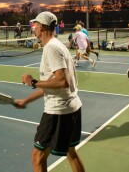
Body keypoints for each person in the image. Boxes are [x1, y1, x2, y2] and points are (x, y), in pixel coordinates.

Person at [14, 11, 85, 172]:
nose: (33, 27)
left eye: (36, 24)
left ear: (43, 27)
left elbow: (62, 81)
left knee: (37, 157)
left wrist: (32, 81)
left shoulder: (51, 48)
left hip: (58, 111)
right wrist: (26, 100)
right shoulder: (57, 45)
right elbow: (52, 84)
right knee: (71, 152)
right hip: (72, 107)